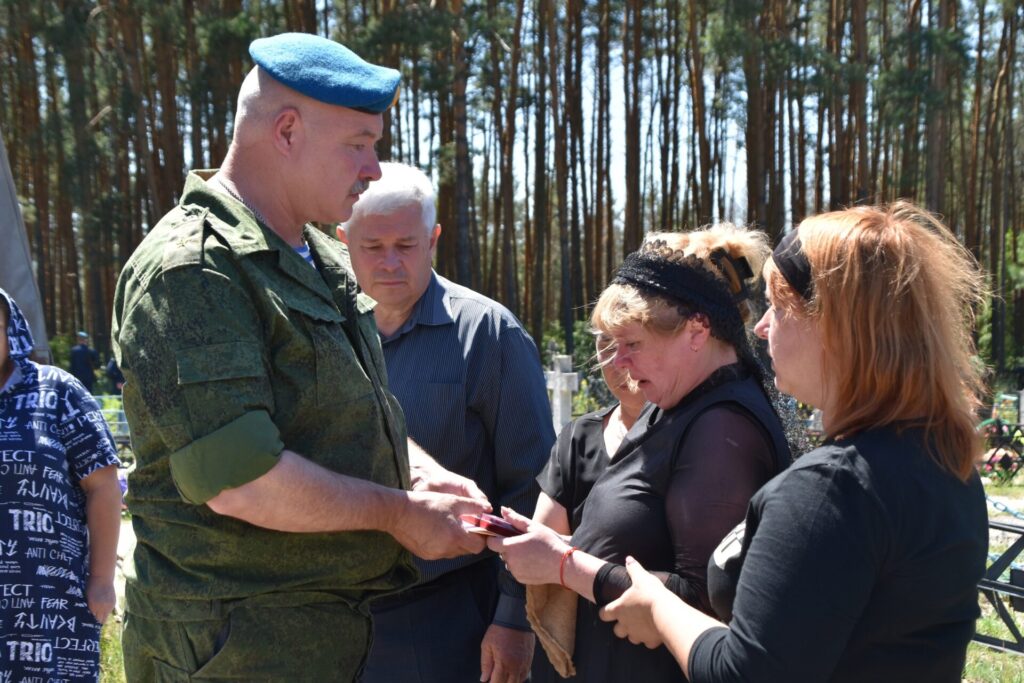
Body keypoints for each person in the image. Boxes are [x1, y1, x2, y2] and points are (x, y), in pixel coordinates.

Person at [111, 33, 493, 681]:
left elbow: (341, 409)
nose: (374, 167)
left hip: (308, 634)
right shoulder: (196, 268)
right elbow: (241, 480)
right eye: (359, 143)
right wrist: (401, 513)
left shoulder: (318, 254)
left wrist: (418, 473)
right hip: (230, 643)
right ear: (287, 131)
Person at [598, 202, 989, 682]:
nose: (761, 328)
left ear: (838, 330)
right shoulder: (945, 462)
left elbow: (745, 673)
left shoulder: (831, 492)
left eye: (779, 308)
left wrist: (658, 607)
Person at [489, 225, 792, 682]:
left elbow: (702, 602)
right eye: (610, 344)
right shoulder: (681, 404)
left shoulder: (722, 428)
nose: (619, 364)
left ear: (696, 331)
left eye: (633, 345)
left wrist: (561, 563)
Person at [339, 162, 555, 683]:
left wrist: (514, 618)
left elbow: (532, 484)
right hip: (333, 613)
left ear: (433, 239)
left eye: (406, 245)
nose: (390, 262)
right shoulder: (325, 330)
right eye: (372, 247)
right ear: (342, 238)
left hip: (446, 614)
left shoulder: (486, 333)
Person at [0, 288, 122, 682]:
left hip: (47, 595)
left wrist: (102, 580)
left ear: (13, 330)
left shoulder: (57, 391)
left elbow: (103, 487)